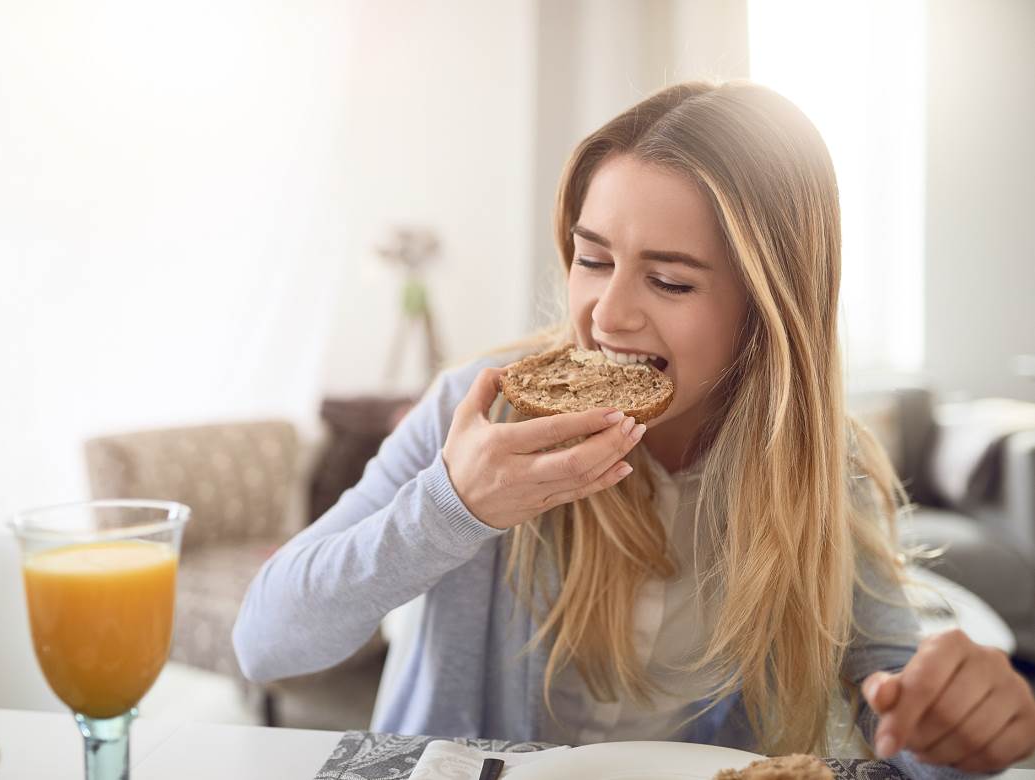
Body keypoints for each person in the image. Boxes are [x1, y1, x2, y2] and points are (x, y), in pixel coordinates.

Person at [232, 80, 1035, 776]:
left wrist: (955, 722)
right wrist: (452, 506)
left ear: (765, 309)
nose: (608, 315)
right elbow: (265, 644)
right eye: (591, 259)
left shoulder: (820, 467)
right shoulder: (476, 416)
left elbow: (898, 706)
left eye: (668, 280)